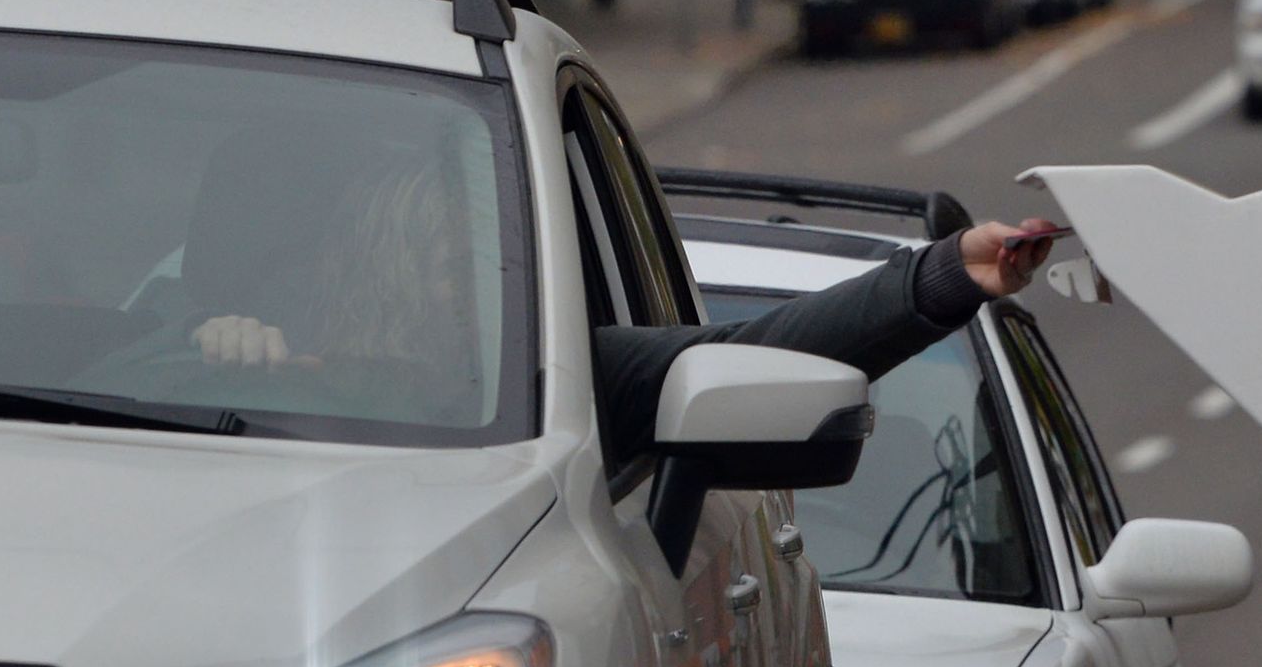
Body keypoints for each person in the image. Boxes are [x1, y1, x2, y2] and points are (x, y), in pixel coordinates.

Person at [190, 156, 1058, 449]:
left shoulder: (561, 376)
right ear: (389, 261)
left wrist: (945, 276)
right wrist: (228, 357)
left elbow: (760, 350)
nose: (497, 281)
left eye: (511, 257)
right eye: (456, 258)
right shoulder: (286, 365)